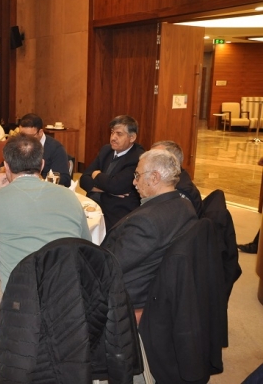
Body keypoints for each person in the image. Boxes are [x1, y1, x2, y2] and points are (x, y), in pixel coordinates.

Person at [0, 134, 91, 316]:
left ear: (6, 166)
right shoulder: (70, 196)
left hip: (22, 306)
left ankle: (2, 328)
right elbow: (86, 244)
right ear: (42, 165)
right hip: (67, 297)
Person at [101, 148, 197, 308]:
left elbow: (111, 265)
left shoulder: (147, 222)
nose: (134, 182)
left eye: (137, 175)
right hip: (160, 288)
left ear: (154, 177)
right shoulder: (185, 206)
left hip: (128, 295)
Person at [79, 115, 144, 230]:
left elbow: (116, 186)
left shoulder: (138, 157)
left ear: (132, 137)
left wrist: (96, 175)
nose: (113, 137)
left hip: (116, 211)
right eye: (112, 132)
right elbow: (83, 180)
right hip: (93, 204)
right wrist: (107, 189)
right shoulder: (106, 150)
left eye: (119, 134)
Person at [151, 140, 203, 217]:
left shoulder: (179, 192)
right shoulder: (176, 177)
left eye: (154, 159)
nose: (148, 162)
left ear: (171, 163)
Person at [18, 113, 71, 187]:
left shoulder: (56, 148)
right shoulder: (17, 144)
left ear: (40, 132)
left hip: (44, 189)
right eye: (22, 135)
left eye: (30, 136)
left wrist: (42, 179)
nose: (25, 139)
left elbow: (65, 180)